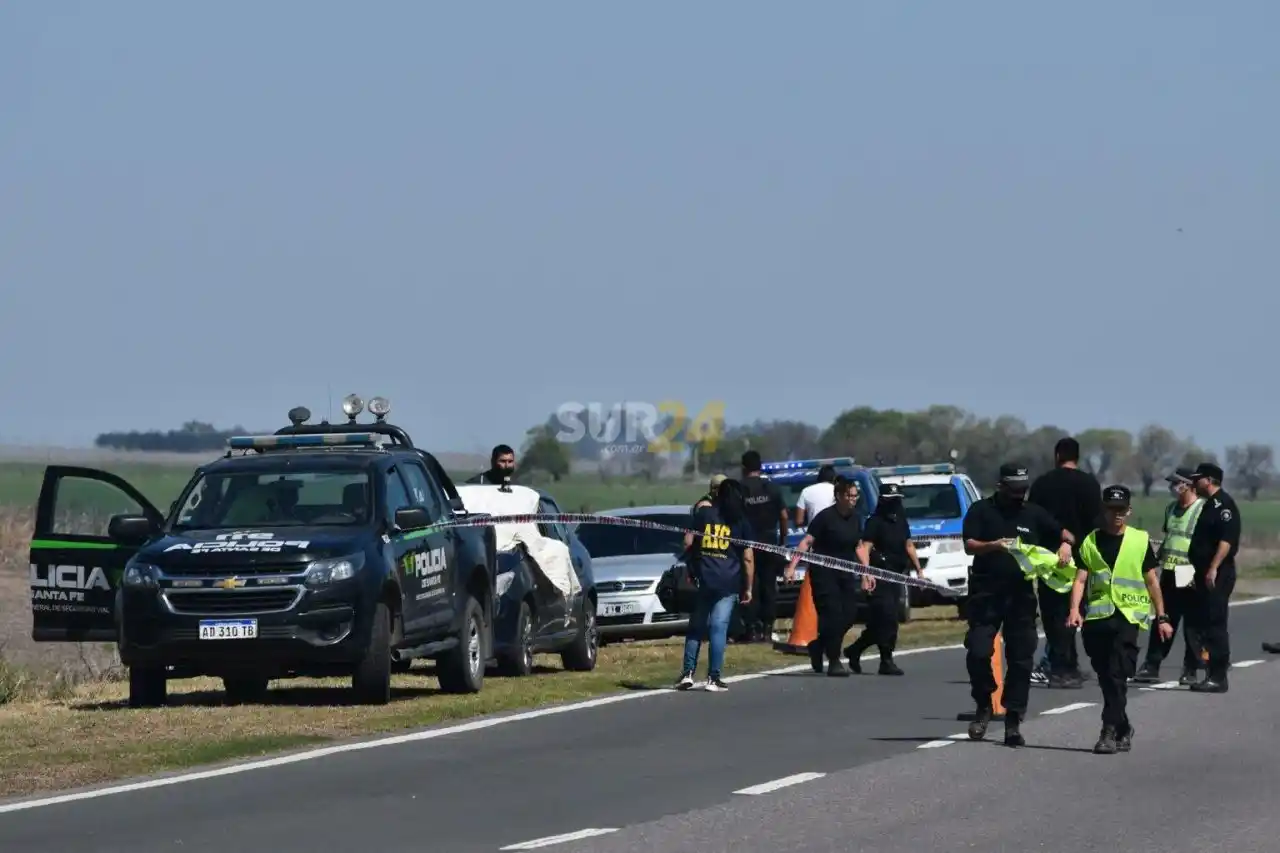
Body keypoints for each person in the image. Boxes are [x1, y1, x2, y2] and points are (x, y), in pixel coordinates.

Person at [963, 463, 1075, 747]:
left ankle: (1013, 719)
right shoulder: (981, 510)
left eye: (1022, 490)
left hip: (1020, 597)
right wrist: (995, 545)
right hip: (985, 593)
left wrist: (1065, 545)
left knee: (1022, 658)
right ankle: (984, 703)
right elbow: (969, 544)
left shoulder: (1032, 513)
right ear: (1000, 486)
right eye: (1014, 490)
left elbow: (1065, 533)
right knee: (978, 651)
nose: (1018, 495)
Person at [1067, 485, 1174, 754]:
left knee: (1117, 673)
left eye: (1122, 510)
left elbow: (1152, 580)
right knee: (1107, 677)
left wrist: (1162, 616)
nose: (1117, 515)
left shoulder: (1139, 540)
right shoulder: (1090, 541)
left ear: (1129, 511)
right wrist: (1074, 610)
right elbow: (1080, 579)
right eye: (1112, 509)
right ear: (1103, 509)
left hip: (1128, 616)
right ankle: (1123, 725)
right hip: (1097, 617)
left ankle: (1108, 731)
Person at [1027, 437, 1104, 689]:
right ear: (1077, 457)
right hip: (1082, 558)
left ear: (1057, 455)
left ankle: (1062, 668)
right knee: (1075, 611)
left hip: (1050, 559)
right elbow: (1097, 523)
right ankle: (1068, 664)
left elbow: (1034, 520)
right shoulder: (1090, 484)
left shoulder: (1042, 484)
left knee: (1054, 615)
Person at [675, 478, 755, 692]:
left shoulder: (704, 515)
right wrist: (748, 587)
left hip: (705, 578)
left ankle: (688, 673)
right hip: (729, 581)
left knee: (696, 627)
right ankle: (713, 677)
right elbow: (747, 558)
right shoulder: (741, 522)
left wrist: (692, 564)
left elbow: (688, 542)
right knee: (718, 628)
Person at [1133, 467, 1206, 685]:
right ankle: (1152, 665)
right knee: (1163, 619)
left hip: (1189, 572)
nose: (1172, 487)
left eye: (1176, 483)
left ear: (1188, 485)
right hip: (1170, 571)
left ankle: (1190, 669)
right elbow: (1170, 538)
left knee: (1192, 624)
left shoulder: (1202, 509)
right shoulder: (1171, 509)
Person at [784, 476, 864, 676]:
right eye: (849, 495)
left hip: (845, 574)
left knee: (849, 614)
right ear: (839, 496)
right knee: (832, 615)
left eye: (855, 496)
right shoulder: (825, 517)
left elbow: (859, 545)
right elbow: (807, 542)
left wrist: (867, 572)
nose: (853, 499)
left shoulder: (856, 518)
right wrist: (792, 566)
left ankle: (817, 646)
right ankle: (834, 660)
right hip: (824, 575)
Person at [843, 483, 922, 675]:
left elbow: (909, 545)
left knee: (883, 621)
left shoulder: (901, 520)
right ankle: (886, 660)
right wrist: (866, 574)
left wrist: (919, 571)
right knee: (887, 618)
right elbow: (865, 548)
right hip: (879, 576)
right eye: (892, 500)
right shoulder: (875, 522)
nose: (895, 504)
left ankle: (855, 649)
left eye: (897, 500)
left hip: (897, 575)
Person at [1183, 462, 1241, 693]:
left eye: (1198, 478)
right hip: (1204, 572)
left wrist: (1213, 567)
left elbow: (1226, 540)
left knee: (1215, 623)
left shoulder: (1223, 505)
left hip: (1217, 572)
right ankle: (1210, 671)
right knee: (1205, 622)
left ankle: (1218, 676)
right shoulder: (1209, 505)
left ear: (1209, 480)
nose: (1194, 483)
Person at [736, 450, 790, 643]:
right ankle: (767, 628)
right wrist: (782, 540)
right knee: (768, 586)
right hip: (769, 544)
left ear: (744, 468)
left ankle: (751, 628)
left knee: (749, 585)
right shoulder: (772, 489)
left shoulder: (738, 489)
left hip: (745, 544)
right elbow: (784, 516)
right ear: (760, 467)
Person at [794, 464, 837, 528]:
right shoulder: (838, 491)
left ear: (819, 477)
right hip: (835, 533)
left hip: (814, 534)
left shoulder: (806, 491)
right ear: (833, 478)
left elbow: (799, 520)